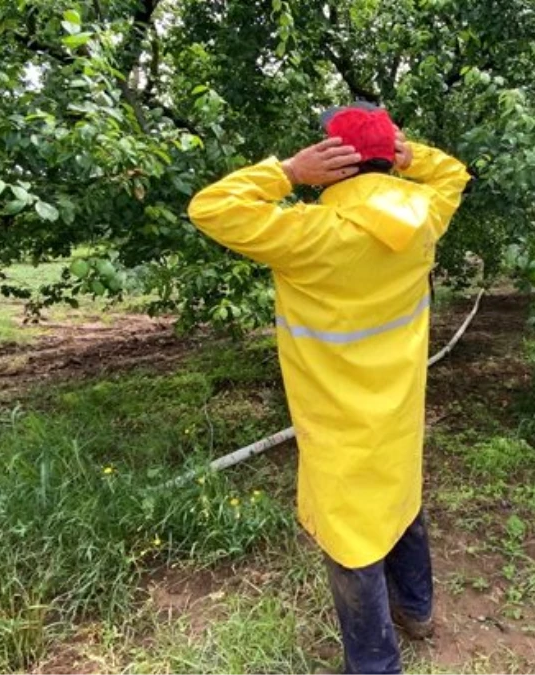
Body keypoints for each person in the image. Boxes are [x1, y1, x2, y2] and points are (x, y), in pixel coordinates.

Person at [187, 103, 470, 675]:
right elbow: (453, 174)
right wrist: (412, 156)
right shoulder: (424, 215)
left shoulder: (306, 234)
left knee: (351, 542)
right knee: (400, 503)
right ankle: (416, 612)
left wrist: (287, 172)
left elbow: (209, 207)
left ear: (333, 162)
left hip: (337, 421)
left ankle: (374, 664)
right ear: (388, 161)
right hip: (398, 410)